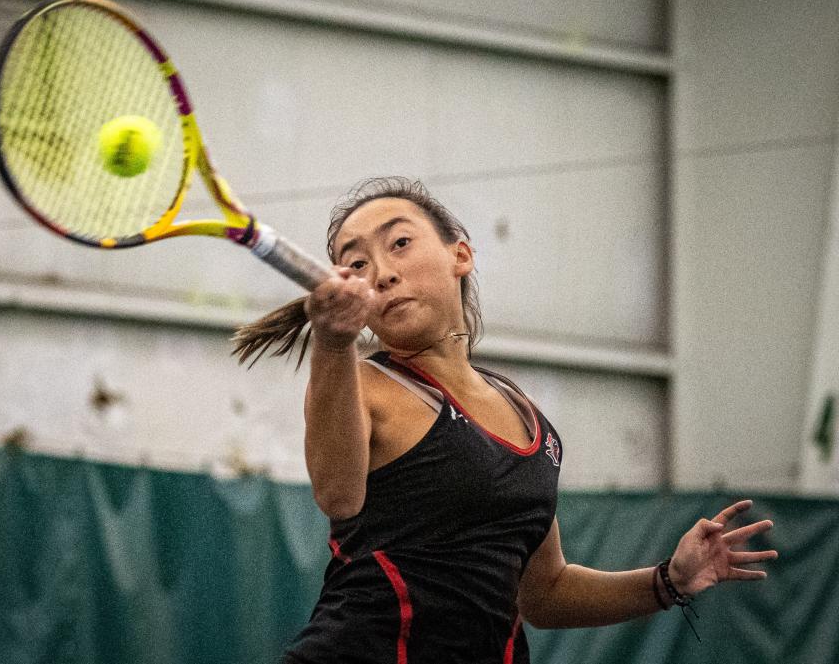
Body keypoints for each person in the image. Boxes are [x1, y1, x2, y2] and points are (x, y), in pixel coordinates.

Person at [232, 177, 778, 664]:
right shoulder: (360, 384)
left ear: (461, 255)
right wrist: (332, 340)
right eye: (356, 264)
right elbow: (338, 496)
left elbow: (545, 592)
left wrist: (668, 580)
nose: (383, 273)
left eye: (400, 243)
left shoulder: (525, 413)